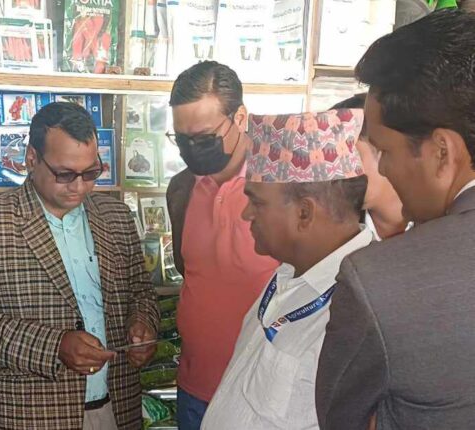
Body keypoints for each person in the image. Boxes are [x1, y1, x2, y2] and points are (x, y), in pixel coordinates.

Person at [0, 102, 160, 430]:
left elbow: (141, 292)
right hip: (31, 415)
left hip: (116, 406)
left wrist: (142, 323)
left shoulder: (116, 217)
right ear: (32, 159)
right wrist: (55, 346)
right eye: (65, 174)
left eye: (90, 173)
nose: (79, 186)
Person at [316, 9, 475, 430]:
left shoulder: (378, 280)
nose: (383, 168)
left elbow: (341, 419)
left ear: (441, 152)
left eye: (384, 150)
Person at [201, 109, 373, 429]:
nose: (246, 214)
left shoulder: (360, 308)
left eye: (257, 202)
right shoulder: (287, 275)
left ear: (304, 213)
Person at [165, 60, 279, 428]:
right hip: (194, 389)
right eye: (181, 139)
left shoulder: (280, 187)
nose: (192, 149)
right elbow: (190, 272)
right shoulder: (181, 188)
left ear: (240, 118)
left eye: (203, 138)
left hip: (260, 398)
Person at [331, 94, 408, 240]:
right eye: (331, 160)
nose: (336, 170)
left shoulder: (438, 223)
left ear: (383, 150)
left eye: (348, 157)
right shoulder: (333, 234)